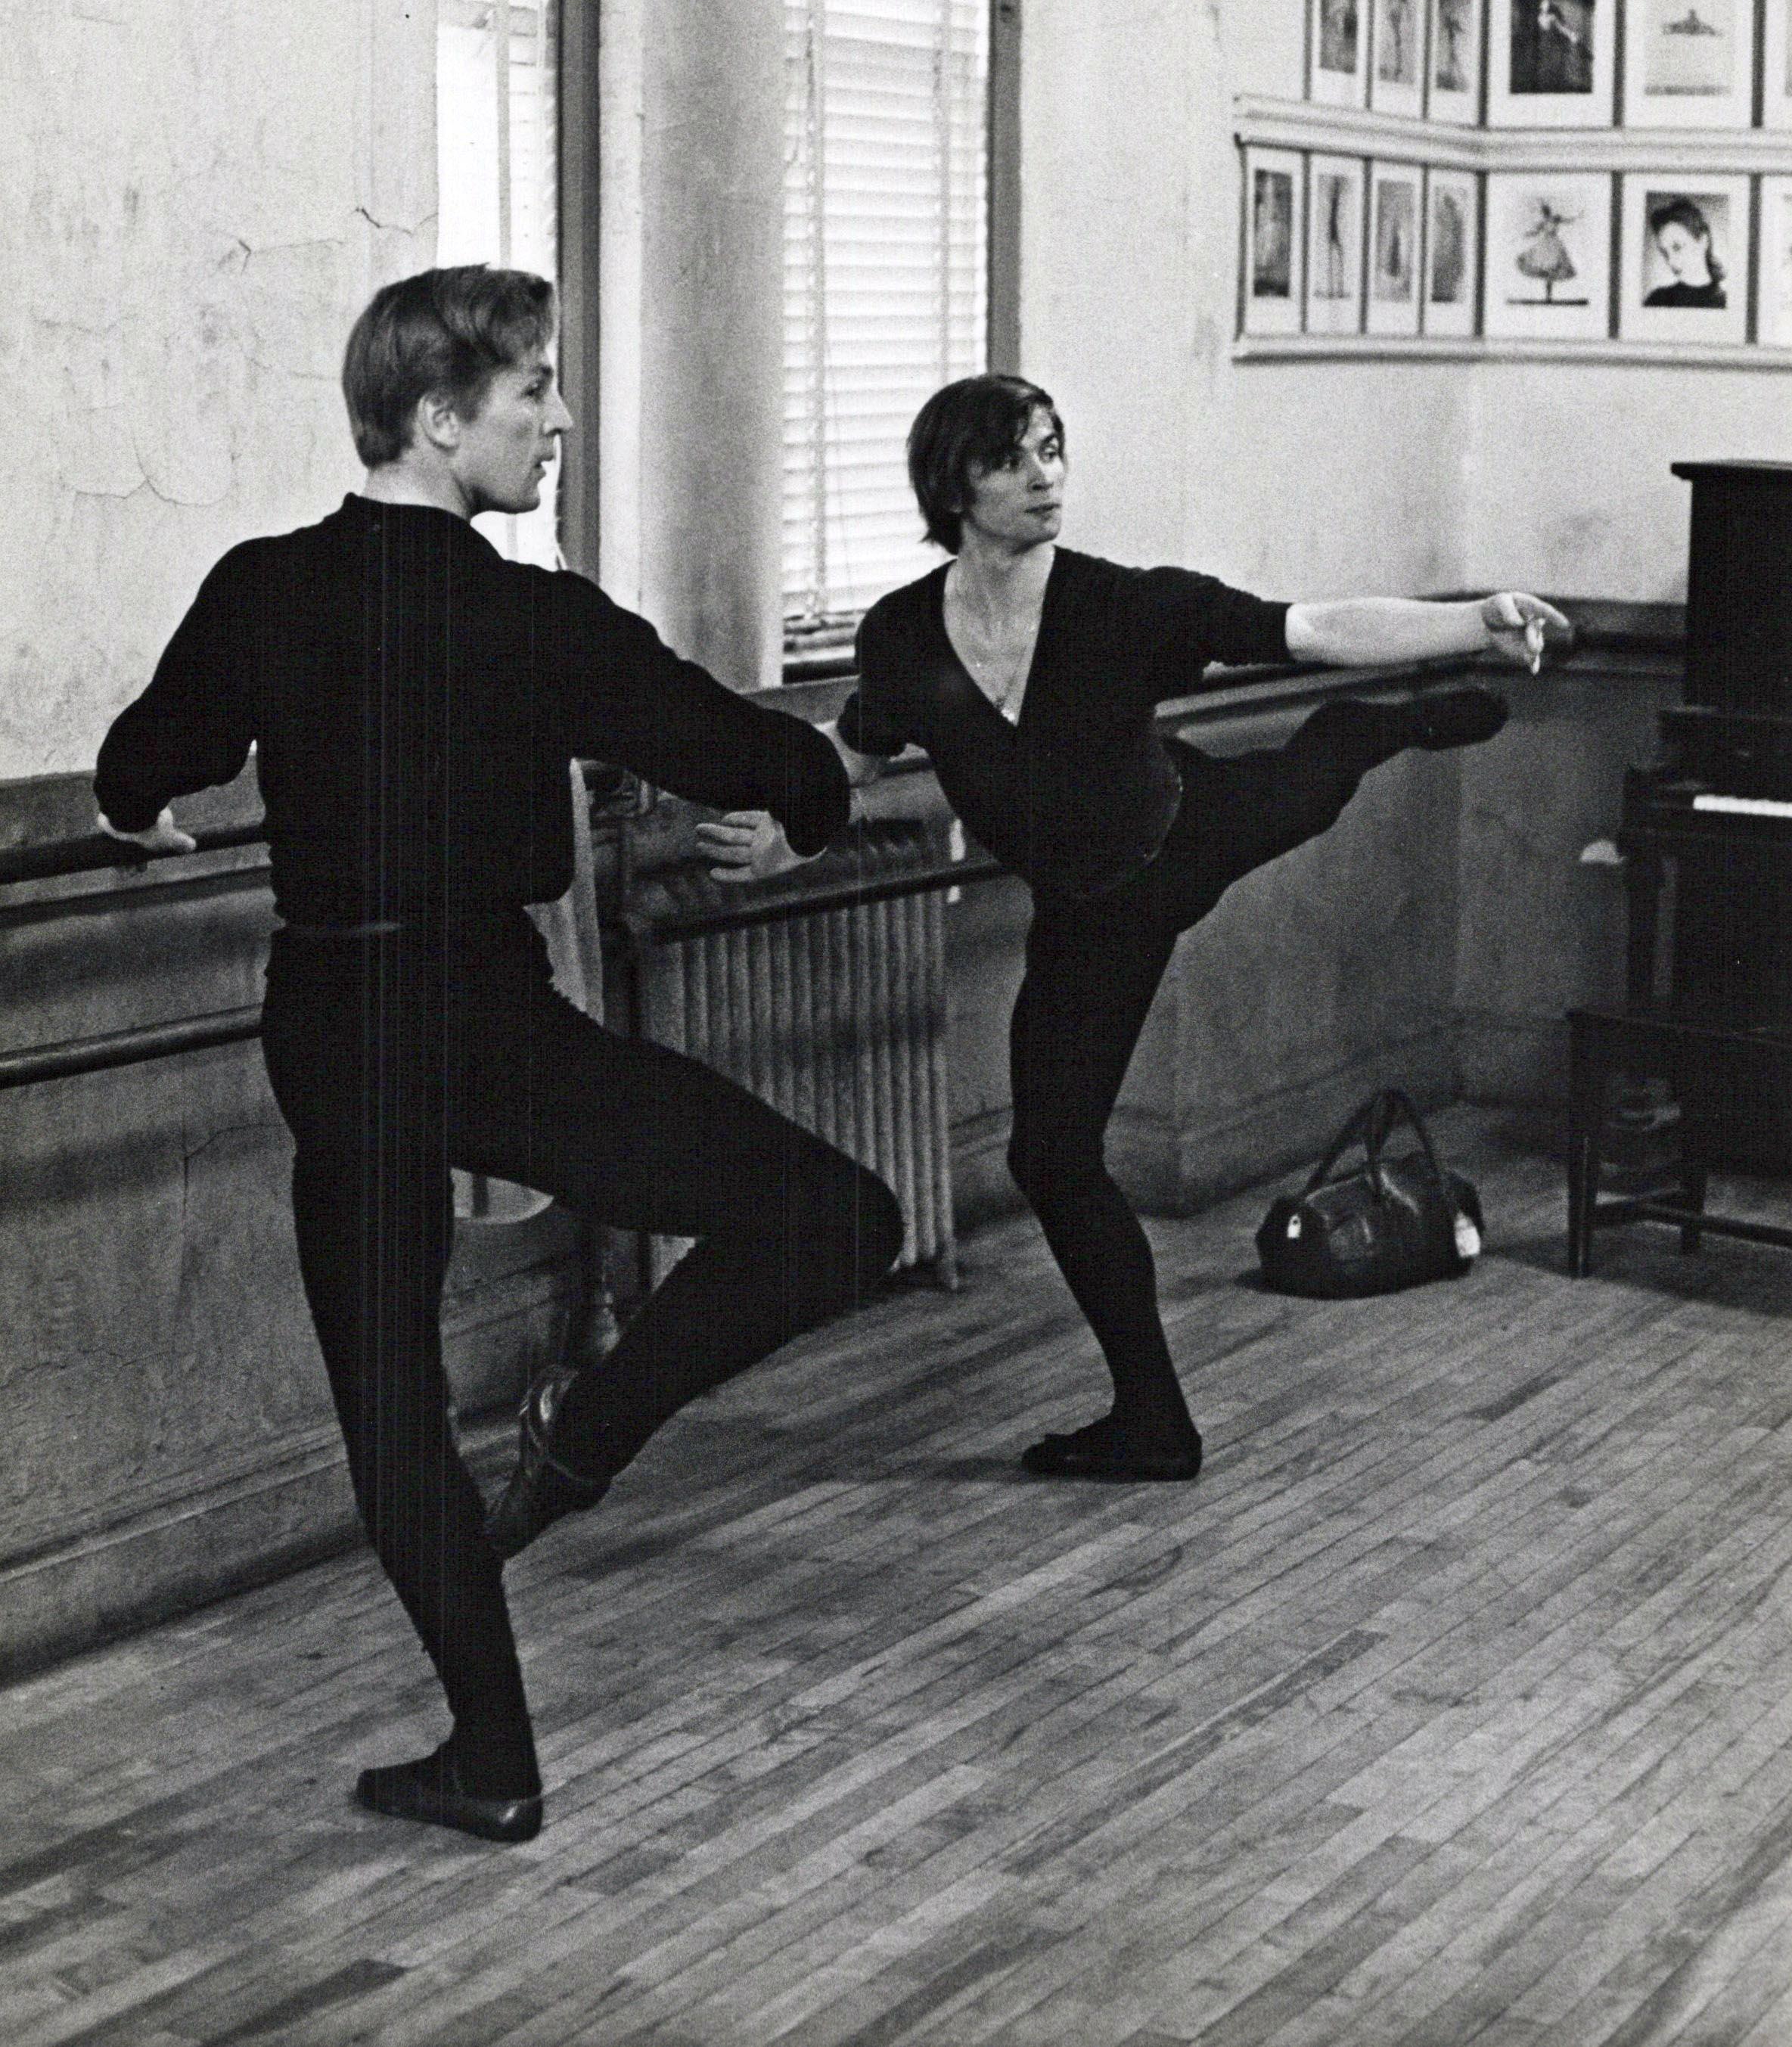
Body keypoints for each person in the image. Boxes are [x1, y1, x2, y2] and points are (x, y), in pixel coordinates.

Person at [95, 266, 902, 1846]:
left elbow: (147, 759)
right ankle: (588, 1438)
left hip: (339, 1022)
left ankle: (491, 1753)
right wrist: (784, 822)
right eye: (533, 388)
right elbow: (771, 760)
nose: (557, 418)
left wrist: (138, 816)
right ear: (435, 413)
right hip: (484, 1017)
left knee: (388, 1400)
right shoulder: (537, 619)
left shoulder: (265, 588)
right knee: (834, 1218)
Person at [700, 374, 1569, 1486]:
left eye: (1055, 449)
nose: (1045, 475)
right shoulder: (904, 632)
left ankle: (1366, 733)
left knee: (1314, 767)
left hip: (1185, 832)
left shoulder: (1124, 606)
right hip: (1089, 911)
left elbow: (1304, 626)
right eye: (1014, 458)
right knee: (1050, 1156)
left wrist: (1472, 620)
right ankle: (1153, 1421)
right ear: (952, 483)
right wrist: (790, 838)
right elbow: (855, 750)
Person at [1643, 196, 1726, 309]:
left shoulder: (1726, 303)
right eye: (1665, 252)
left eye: (1677, 247)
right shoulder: (1657, 300)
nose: (1671, 262)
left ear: (1703, 241)